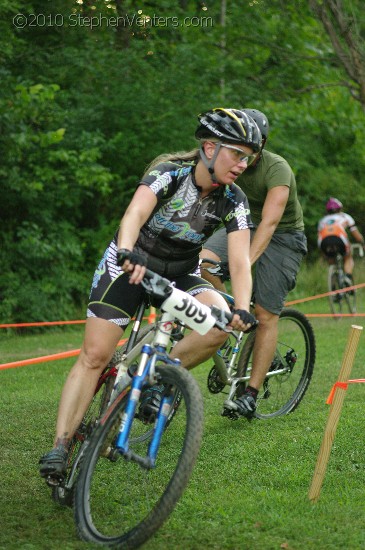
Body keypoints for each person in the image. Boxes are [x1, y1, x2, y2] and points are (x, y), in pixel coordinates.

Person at [39, 107, 262, 482]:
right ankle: (60, 445)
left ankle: (156, 377)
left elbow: (239, 262)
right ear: (209, 147)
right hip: (131, 264)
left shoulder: (234, 200)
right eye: (236, 154)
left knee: (220, 326)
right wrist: (126, 250)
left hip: (181, 273)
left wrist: (241, 306)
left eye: (248, 157)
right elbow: (134, 215)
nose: (243, 164)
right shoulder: (169, 173)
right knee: (95, 355)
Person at [200, 108, 307, 419]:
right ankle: (232, 315)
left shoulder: (278, 169)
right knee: (202, 263)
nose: (244, 153)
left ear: (262, 144)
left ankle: (249, 394)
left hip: (284, 236)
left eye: (253, 145)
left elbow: (270, 224)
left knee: (265, 312)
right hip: (244, 226)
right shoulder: (228, 162)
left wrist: (242, 267)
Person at [317, 197, 365, 287]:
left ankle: (333, 283)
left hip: (324, 242)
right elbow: (356, 234)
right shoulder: (345, 216)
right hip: (339, 239)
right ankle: (347, 276)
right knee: (348, 256)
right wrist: (362, 243)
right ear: (340, 208)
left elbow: (319, 237)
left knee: (331, 259)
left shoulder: (322, 220)